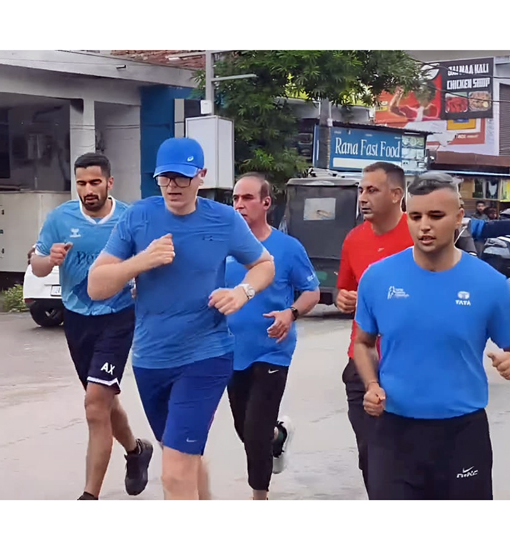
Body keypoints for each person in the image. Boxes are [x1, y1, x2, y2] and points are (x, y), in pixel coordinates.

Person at [88, 137, 276, 500]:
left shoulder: (223, 219)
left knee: (174, 473)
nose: (173, 186)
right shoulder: (139, 216)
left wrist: (242, 292)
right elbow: (96, 286)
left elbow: (264, 264)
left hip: (206, 355)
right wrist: (142, 261)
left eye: (182, 177)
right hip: (151, 360)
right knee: (183, 458)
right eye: (165, 178)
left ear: (201, 176)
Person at [353, 172, 510, 500]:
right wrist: (372, 384)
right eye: (416, 216)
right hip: (393, 434)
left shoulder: (489, 284)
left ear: (459, 218)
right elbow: (363, 343)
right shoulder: (378, 278)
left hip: (462, 436)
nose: (424, 226)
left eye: (436, 216)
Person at [30, 152, 153, 501]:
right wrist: (49, 259)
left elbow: (148, 262)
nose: (88, 190)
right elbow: (37, 266)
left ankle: (89, 497)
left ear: (109, 183)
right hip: (76, 319)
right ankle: (136, 450)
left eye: (95, 182)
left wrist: (139, 281)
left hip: (118, 317)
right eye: (81, 183)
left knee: (95, 402)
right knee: (103, 401)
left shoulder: (129, 218)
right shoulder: (60, 218)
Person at [224, 173, 320, 500]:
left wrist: (290, 313)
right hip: (231, 350)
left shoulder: (288, 248)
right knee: (244, 429)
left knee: (254, 432)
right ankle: (277, 437)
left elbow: (311, 292)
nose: (239, 205)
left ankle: (259, 499)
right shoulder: (224, 247)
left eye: (247, 198)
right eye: (236, 198)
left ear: (266, 203)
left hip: (272, 351)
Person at [335, 161, 412, 495]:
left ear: (396, 195)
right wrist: (344, 299)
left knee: (407, 457)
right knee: (371, 455)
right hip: (362, 363)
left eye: (372, 190)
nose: (363, 197)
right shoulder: (354, 239)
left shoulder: (418, 234)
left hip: (409, 364)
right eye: (361, 190)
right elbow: (344, 290)